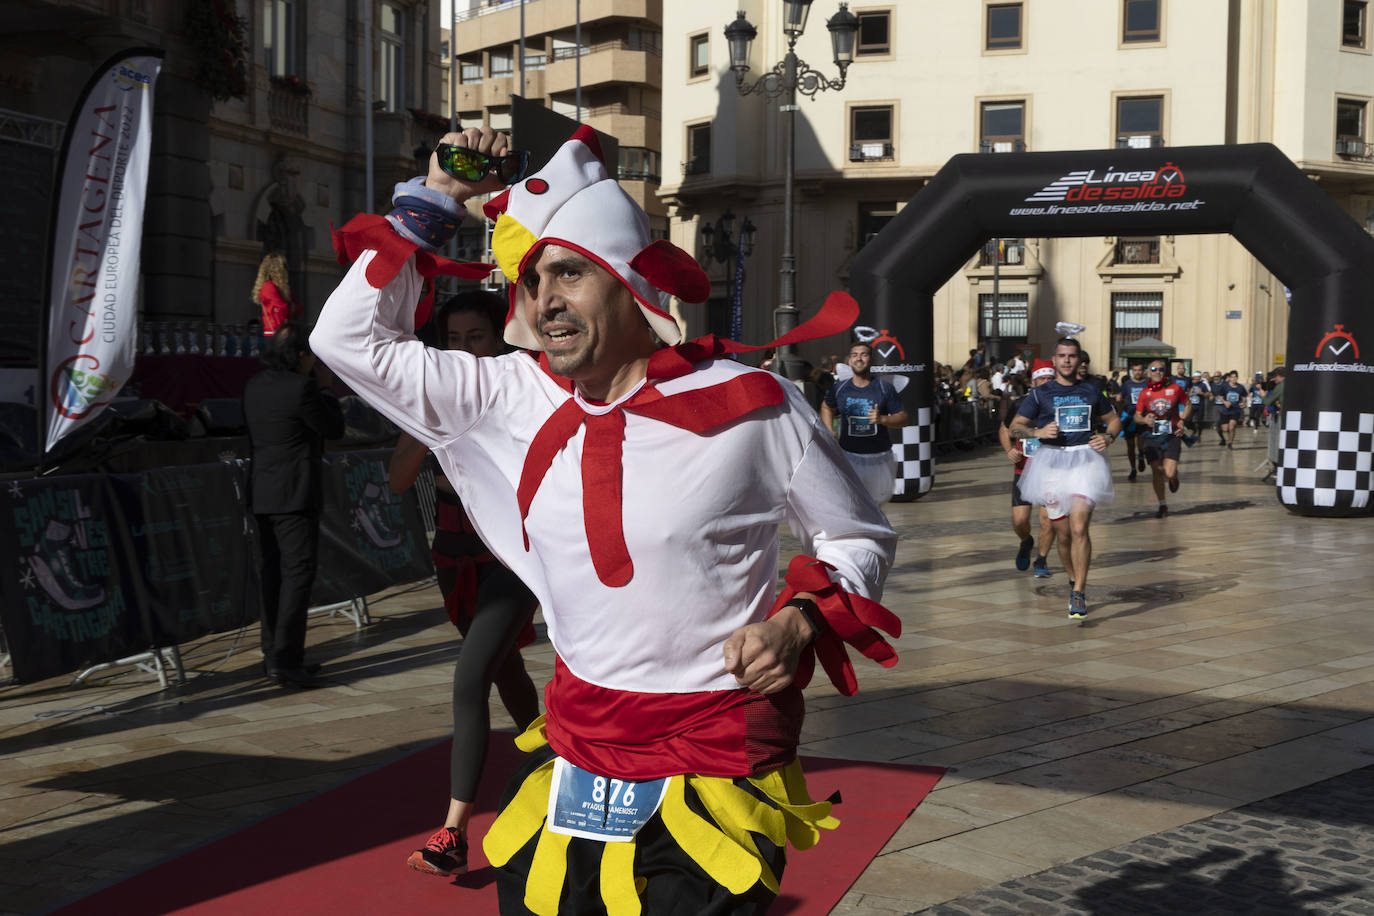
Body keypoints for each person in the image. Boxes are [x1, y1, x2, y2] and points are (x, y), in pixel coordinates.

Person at [310, 125, 900, 914]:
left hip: (714, 758)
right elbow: (343, 339)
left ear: (630, 285)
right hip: (576, 752)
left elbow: (857, 536)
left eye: (570, 273)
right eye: (531, 280)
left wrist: (797, 621)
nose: (546, 299)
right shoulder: (503, 396)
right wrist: (438, 200)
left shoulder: (754, 406)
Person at [390, 291, 542, 878]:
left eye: (475, 338)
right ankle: (544, 759)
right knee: (504, 670)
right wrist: (427, 428)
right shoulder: (436, 400)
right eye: (452, 341)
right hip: (453, 559)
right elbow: (400, 480)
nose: (463, 350)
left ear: (499, 338)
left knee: (470, 677)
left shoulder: (519, 389)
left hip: (510, 558)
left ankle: (453, 831)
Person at [242, 321, 344, 687]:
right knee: (297, 575)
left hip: (261, 491)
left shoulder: (254, 386)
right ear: (301, 357)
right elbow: (332, 427)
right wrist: (328, 390)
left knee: (270, 574)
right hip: (294, 494)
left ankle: (274, 653)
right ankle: (285, 659)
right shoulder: (302, 388)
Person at [1009, 337, 1121, 621]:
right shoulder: (1039, 394)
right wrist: (1037, 433)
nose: (1067, 360)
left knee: (1080, 526)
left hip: (1086, 460)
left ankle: (1079, 592)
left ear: (1079, 360)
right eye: (1062, 356)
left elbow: (1114, 420)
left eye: (1072, 356)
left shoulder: (1093, 391)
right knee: (1063, 534)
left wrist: (1108, 437)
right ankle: (1073, 577)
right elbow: (1015, 427)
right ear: (1055, 359)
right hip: (1052, 464)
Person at [821, 341, 909, 505]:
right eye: (854, 355)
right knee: (850, 504)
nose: (858, 358)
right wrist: (829, 431)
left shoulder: (884, 388)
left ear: (872, 360)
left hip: (879, 457)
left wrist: (882, 419)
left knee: (876, 505)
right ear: (849, 361)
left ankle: (875, 530)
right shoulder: (840, 388)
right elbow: (827, 406)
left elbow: (903, 418)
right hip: (849, 456)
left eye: (864, 354)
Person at [997, 359, 1057, 575]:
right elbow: (1005, 429)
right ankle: (1026, 540)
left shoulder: (1058, 404)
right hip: (1024, 470)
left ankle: (1041, 560)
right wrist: (1008, 450)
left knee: (1047, 520)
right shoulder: (1021, 403)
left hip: (1050, 471)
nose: (1046, 382)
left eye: (1050, 378)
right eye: (1042, 378)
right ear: (1033, 381)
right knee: (1020, 521)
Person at [1133, 360, 1190, 518]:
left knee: (1169, 472)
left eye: (1161, 369)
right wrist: (1144, 420)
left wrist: (1183, 419)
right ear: (1148, 373)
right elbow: (1136, 416)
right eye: (1153, 369)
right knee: (1157, 471)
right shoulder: (1144, 394)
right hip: (1152, 436)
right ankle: (1162, 504)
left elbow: (1187, 404)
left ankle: (1174, 478)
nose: (1157, 372)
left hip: (1172, 434)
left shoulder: (1175, 388)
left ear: (1165, 372)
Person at [252, 251, 303, 335]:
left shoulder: (282, 288)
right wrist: (290, 307)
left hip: (283, 331)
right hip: (274, 332)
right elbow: (282, 308)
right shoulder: (268, 286)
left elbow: (298, 308)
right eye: (284, 267)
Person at [1115, 361, 1150, 482]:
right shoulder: (1127, 384)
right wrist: (1119, 404)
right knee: (1130, 446)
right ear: (1132, 372)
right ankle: (1133, 469)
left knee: (1141, 443)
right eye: (1135, 370)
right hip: (1130, 418)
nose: (1137, 372)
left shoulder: (1147, 383)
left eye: (1139, 370)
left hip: (1142, 417)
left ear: (1143, 371)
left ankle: (1141, 455)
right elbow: (1120, 397)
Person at [1214, 370, 1246, 448]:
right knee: (1225, 429)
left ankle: (1230, 443)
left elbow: (1244, 396)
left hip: (1236, 410)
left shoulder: (1240, 387)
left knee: (1232, 426)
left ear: (1237, 378)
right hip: (1226, 410)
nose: (1234, 379)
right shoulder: (1225, 386)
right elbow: (1219, 396)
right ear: (1229, 378)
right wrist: (1225, 402)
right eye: (1232, 377)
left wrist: (1243, 402)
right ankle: (1228, 437)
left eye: (1235, 377)